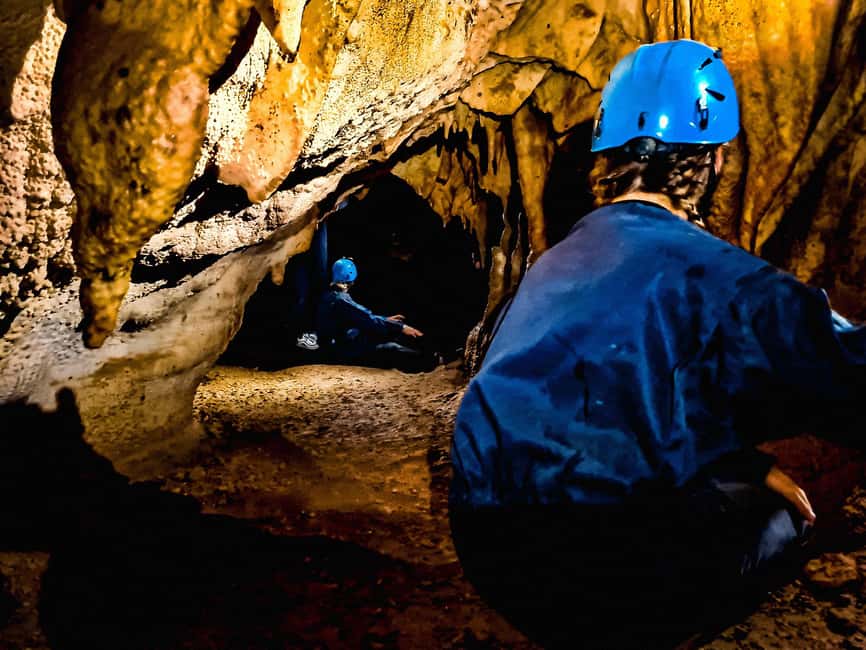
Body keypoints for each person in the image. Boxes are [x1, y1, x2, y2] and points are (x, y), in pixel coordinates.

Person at [448, 39, 866, 648]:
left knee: (717, 484)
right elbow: (850, 373)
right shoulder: (721, 277)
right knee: (783, 518)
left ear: (610, 153)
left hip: (488, 544)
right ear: (717, 161)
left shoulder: (559, 261)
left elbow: (605, 398)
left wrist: (746, 462)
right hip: (602, 565)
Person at [316, 258, 438, 373]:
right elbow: (367, 318)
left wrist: (386, 320)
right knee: (392, 348)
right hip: (343, 351)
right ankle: (432, 362)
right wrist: (401, 327)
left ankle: (429, 356)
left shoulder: (330, 295)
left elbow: (362, 316)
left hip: (340, 344)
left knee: (385, 334)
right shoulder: (341, 299)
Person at [286, 221, 329, 351]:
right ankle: (300, 340)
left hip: (315, 224)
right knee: (301, 292)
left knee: (317, 284)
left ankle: (307, 338)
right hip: (299, 229)